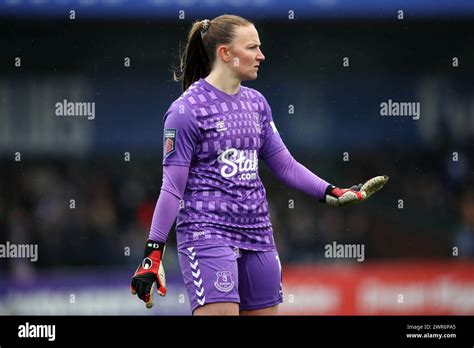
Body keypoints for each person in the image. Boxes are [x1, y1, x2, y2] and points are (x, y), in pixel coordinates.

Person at [130, 14, 388, 316]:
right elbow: (172, 187)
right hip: (207, 234)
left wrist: (332, 192)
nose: (261, 55)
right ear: (225, 53)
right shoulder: (185, 111)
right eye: (252, 47)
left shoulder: (257, 104)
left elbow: (286, 166)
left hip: (258, 234)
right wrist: (153, 254)